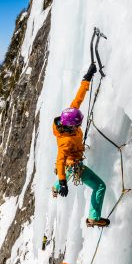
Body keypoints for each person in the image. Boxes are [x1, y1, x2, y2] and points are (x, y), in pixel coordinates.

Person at [51, 63, 110, 228]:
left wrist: (87, 78)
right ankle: (94, 217)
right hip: (74, 164)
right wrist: (63, 183)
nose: (79, 127)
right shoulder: (65, 141)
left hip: (72, 164)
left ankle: (55, 188)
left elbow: (78, 98)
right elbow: (60, 161)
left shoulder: (67, 116)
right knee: (100, 186)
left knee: (68, 173)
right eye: (77, 125)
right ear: (70, 126)